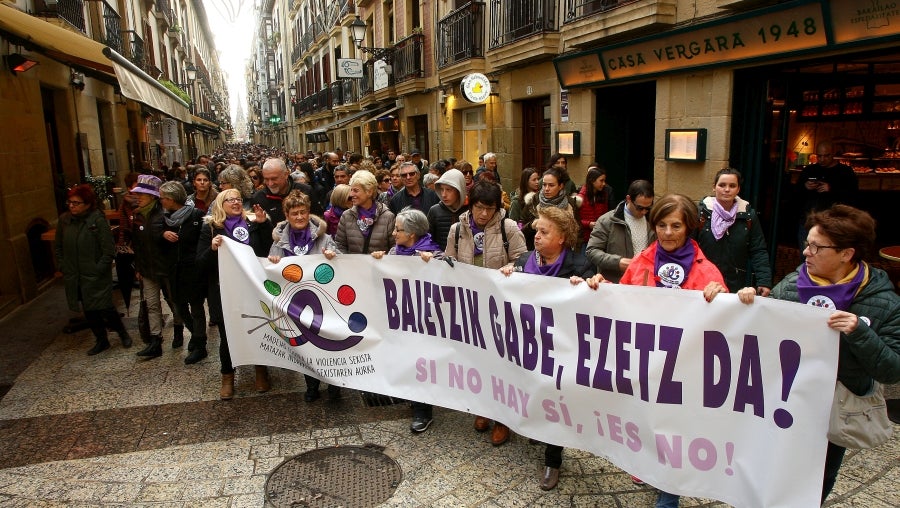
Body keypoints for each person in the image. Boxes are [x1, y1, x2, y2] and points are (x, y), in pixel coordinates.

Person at [734, 204, 900, 505]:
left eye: (815, 247)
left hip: (833, 410)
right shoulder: (794, 284)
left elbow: (891, 370)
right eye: (806, 244)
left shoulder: (883, 302)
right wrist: (750, 301)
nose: (805, 253)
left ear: (846, 254)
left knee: (817, 480)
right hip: (788, 403)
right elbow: (763, 326)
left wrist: (859, 333)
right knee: (773, 471)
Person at [588, 194, 728, 503]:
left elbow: (726, 323)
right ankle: (650, 463)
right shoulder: (642, 262)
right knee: (649, 421)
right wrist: (601, 288)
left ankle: (669, 495)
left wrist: (723, 295)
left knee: (675, 430)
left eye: (675, 225)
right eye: (661, 225)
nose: (667, 233)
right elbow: (622, 299)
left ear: (688, 227)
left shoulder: (706, 271)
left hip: (682, 372)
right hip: (645, 364)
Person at [500, 206, 594, 491]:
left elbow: (596, 305)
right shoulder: (525, 260)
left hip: (561, 349)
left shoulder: (580, 266)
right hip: (528, 345)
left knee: (555, 399)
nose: (536, 236)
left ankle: (553, 459)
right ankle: (535, 429)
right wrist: (504, 275)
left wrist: (587, 288)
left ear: (562, 238)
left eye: (544, 231)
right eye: (536, 230)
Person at [445, 181, 527, 446]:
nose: (483, 214)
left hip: (501, 305)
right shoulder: (458, 229)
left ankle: (504, 418)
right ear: (472, 204)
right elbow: (450, 261)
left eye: (489, 209)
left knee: (502, 361)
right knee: (477, 359)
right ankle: (483, 407)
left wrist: (511, 269)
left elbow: (523, 259)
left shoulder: (508, 227)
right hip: (471, 305)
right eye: (480, 208)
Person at [371, 208, 444, 432]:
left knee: (420, 362)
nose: (394, 233)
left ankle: (423, 411)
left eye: (398, 229)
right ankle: (412, 398)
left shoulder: (435, 254)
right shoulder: (395, 251)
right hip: (401, 318)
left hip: (424, 321)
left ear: (412, 234)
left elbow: (445, 283)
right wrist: (379, 262)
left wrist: (432, 266)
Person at [197, 189, 274, 400]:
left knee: (257, 328)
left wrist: (263, 225)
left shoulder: (252, 223)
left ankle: (261, 371)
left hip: (251, 288)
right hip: (223, 290)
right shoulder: (211, 228)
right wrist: (212, 249)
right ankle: (228, 377)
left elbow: (267, 252)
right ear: (221, 204)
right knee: (227, 334)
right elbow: (200, 263)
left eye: (238, 199)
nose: (236, 202)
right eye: (230, 200)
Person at [266, 190, 338, 402]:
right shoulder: (279, 242)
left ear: (309, 213)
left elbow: (341, 268)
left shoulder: (324, 238)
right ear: (287, 216)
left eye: (303, 212)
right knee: (305, 344)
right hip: (294, 302)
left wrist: (333, 258)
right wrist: (272, 262)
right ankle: (312, 384)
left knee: (326, 342)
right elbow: (271, 272)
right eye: (294, 213)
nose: (299, 217)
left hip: (323, 300)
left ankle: (334, 384)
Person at [55, 184, 132, 355]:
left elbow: (108, 248)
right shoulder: (64, 221)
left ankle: (122, 333)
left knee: (105, 307)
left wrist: (99, 268)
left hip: (95, 273)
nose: (72, 206)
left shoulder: (97, 219)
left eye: (76, 203)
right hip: (75, 274)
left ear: (88, 204)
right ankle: (101, 339)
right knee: (89, 309)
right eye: (70, 202)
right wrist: (63, 265)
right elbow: (59, 246)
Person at [696, 168, 772, 294]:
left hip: (735, 283)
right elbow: (690, 247)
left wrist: (764, 281)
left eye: (732, 186)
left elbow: (758, 250)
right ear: (714, 187)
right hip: (704, 281)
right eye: (722, 185)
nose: (727, 189)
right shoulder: (701, 214)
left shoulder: (748, 216)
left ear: (738, 189)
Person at [158, 181, 208, 365]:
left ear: (171, 199)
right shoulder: (164, 219)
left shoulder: (196, 216)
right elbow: (154, 237)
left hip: (192, 270)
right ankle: (195, 335)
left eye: (163, 198)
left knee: (196, 307)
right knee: (179, 306)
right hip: (174, 270)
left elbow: (202, 241)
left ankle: (200, 344)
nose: (161, 201)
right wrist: (163, 234)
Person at [130, 174, 173, 359]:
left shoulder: (164, 214)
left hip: (165, 268)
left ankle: (180, 330)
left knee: (174, 302)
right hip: (148, 269)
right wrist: (138, 268)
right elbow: (137, 246)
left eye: (142, 194)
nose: (138, 197)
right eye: (137, 194)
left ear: (153, 196)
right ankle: (156, 340)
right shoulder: (137, 216)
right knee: (153, 305)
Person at [585, 180, 655, 283]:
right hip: (616, 284)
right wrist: (618, 262)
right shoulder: (607, 221)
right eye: (640, 208)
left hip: (646, 283)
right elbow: (592, 251)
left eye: (648, 208)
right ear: (628, 199)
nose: (644, 211)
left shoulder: (654, 221)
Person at [796, 141, 858, 248]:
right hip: (809, 220)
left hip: (833, 222)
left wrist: (831, 189)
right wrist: (805, 186)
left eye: (826, 156)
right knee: (806, 253)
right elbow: (796, 194)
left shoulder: (845, 172)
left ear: (833, 154)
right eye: (819, 156)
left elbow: (853, 196)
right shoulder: (810, 170)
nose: (822, 159)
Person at [251, 158, 319, 247]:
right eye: (266, 179)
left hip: (306, 248)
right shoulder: (258, 198)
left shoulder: (305, 191)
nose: (270, 183)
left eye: (274, 179)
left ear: (286, 174)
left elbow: (318, 221)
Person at [335, 170, 396, 256]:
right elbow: (339, 245)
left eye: (355, 190)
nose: (351, 194)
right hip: (353, 267)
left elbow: (395, 246)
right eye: (351, 190)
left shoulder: (388, 217)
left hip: (378, 268)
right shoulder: (346, 216)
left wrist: (383, 256)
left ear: (369, 192)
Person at [520, 165, 581, 250]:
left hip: (563, 253)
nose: (546, 189)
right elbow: (520, 229)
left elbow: (578, 233)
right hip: (536, 252)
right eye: (544, 185)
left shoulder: (571, 204)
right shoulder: (533, 201)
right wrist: (531, 226)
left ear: (560, 186)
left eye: (551, 185)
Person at [427, 168, 468, 251]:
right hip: (441, 260)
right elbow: (428, 239)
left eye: (448, 190)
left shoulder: (470, 210)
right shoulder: (434, 211)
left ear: (459, 190)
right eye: (441, 189)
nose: (444, 194)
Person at [577, 166, 614, 248]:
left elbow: (605, 215)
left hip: (599, 237)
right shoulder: (581, 197)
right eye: (601, 181)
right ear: (592, 181)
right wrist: (588, 224)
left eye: (604, 181)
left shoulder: (603, 194)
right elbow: (575, 220)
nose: (604, 184)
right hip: (583, 239)